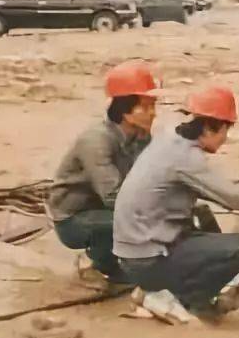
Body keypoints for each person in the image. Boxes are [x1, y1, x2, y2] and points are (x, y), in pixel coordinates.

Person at [113, 86, 239, 314]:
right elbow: (236, 199)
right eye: (226, 130)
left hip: (133, 249)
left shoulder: (170, 139)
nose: (225, 138)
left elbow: (213, 188)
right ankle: (185, 300)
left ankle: (162, 289)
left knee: (203, 214)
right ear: (209, 127)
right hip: (147, 259)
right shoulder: (186, 158)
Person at [47, 61, 160, 281]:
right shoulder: (96, 140)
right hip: (74, 219)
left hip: (103, 211)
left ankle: (115, 262)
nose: (153, 114)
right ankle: (96, 265)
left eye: (154, 106)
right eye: (146, 107)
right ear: (126, 112)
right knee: (138, 221)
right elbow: (113, 196)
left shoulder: (140, 136)